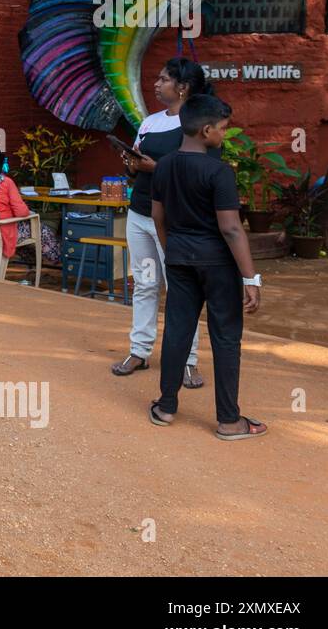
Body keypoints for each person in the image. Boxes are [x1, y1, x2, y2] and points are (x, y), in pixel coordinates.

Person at [149, 93, 267, 440]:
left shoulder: (164, 165)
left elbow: (159, 216)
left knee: (177, 331)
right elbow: (231, 228)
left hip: (180, 258)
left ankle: (166, 407)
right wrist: (251, 276)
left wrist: (174, 252)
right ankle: (229, 421)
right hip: (218, 264)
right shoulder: (219, 172)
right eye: (222, 129)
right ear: (205, 130)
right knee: (226, 338)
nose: (224, 135)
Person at [113, 58, 214, 388]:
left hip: (176, 220)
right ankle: (139, 351)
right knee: (144, 283)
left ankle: (189, 360)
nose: (155, 84)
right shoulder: (149, 122)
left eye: (163, 79)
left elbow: (200, 172)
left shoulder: (199, 124)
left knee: (181, 289)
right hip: (140, 213)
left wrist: (153, 167)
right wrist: (131, 164)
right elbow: (135, 170)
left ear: (182, 87)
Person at [0, 149, 61, 265]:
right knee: (40, 229)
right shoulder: (5, 182)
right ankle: (58, 259)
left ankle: (31, 263)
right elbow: (22, 213)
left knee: (24, 232)